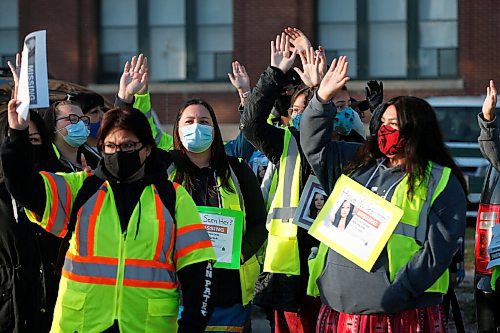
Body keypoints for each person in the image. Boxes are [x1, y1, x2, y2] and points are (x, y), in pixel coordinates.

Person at [2, 101, 217, 332]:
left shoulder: (173, 198)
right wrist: (17, 135)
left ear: (146, 149)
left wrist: (192, 326)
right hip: (82, 324)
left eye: (127, 146)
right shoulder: (80, 189)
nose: (118, 153)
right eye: (110, 146)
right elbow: (25, 187)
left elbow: (198, 268)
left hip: (147, 326)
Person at [301, 56, 467, 332]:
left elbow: (437, 252)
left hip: (400, 309)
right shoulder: (357, 162)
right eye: (383, 123)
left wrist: (396, 295)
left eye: (394, 124)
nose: (385, 130)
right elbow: (313, 144)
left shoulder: (440, 181)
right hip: (339, 302)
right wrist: (322, 98)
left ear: (416, 129)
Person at [240, 33, 321, 333]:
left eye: (310, 107)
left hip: (334, 270)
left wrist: (317, 88)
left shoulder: (347, 148)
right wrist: (274, 76)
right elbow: (250, 125)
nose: (304, 116)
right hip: (290, 271)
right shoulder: (285, 144)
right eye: (297, 111)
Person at [167, 98, 268, 333]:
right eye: (189, 121)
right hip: (177, 289)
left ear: (214, 129)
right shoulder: (165, 171)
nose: (196, 127)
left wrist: (241, 253)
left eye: (204, 121)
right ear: (178, 130)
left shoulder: (239, 169)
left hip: (229, 291)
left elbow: (259, 222)